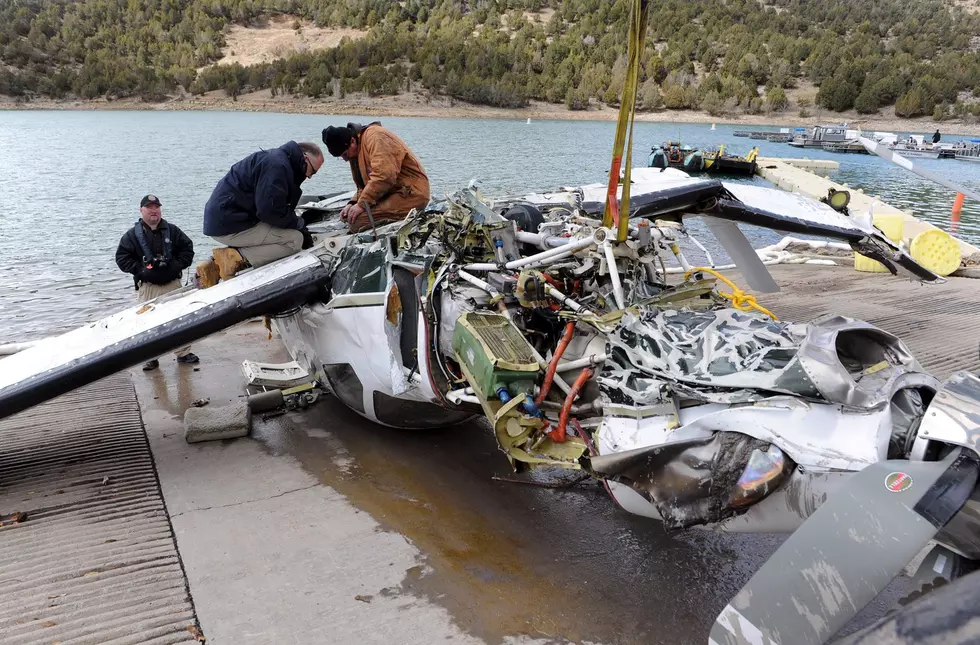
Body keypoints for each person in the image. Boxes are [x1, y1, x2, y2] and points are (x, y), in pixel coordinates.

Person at [196, 141, 322, 287]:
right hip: (230, 224)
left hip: (226, 219)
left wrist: (295, 222)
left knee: (288, 231)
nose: (311, 177)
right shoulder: (278, 166)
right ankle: (234, 259)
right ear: (305, 158)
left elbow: (273, 207)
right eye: (313, 171)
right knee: (294, 240)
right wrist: (299, 225)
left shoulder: (277, 160)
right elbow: (269, 212)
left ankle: (230, 257)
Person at [115, 194, 199, 371]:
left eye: (156, 207)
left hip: (172, 283)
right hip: (148, 287)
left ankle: (183, 352)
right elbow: (122, 258)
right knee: (146, 322)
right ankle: (150, 357)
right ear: (141, 210)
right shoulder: (131, 236)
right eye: (149, 207)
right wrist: (141, 270)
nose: (154, 211)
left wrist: (175, 265)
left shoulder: (173, 231)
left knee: (178, 319)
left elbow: (188, 250)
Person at [321, 122, 430, 233]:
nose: (345, 159)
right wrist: (353, 203)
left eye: (345, 154)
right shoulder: (356, 148)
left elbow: (384, 176)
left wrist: (362, 205)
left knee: (357, 222)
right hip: (391, 192)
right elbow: (364, 185)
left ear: (352, 141)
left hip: (411, 193)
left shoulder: (376, 136)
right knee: (348, 217)